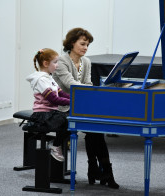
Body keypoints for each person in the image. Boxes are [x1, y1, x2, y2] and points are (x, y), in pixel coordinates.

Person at [53, 28, 119, 189]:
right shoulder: (61, 61)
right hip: (63, 105)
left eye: (87, 45)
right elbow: (71, 84)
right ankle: (102, 171)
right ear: (71, 43)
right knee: (94, 130)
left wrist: (92, 96)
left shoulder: (86, 62)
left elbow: (88, 84)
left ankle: (99, 170)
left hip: (80, 104)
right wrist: (90, 95)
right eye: (82, 44)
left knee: (95, 129)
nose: (85, 47)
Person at [26, 48, 70, 162]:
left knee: (71, 121)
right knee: (67, 121)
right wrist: (73, 102)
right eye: (55, 62)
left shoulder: (50, 78)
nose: (57, 65)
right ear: (46, 63)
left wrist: (76, 98)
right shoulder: (41, 80)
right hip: (42, 114)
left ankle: (55, 143)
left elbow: (62, 94)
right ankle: (55, 145)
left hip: (50, 112)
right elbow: (54, 99)